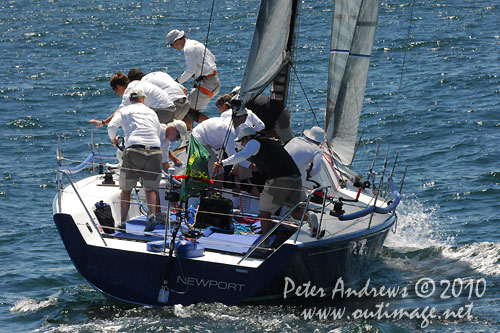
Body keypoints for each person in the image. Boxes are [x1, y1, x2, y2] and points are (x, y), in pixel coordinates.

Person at [213, 126, 305, 244]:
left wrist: (223, 163)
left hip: (279, 179)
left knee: (264, 212)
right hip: (295, 177)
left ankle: (264, 242)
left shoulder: (254, 142)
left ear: (248, 137)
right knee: (297, 212)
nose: (242, 144)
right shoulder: (269, 142)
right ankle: (312, 222)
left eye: (242, 140)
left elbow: (241, 155)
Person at [107, 86, 162, 232]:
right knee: (150, 189)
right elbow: (158, 131)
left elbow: (111, 125)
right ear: (143, 99)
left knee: (126, 190)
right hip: (155, 150)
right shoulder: (152, 112)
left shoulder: (124, 110)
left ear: (130, 100)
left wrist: (113, 139)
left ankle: (123, 222)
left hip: (134, 150)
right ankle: (151, 216)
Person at [166, 29, 220, 130]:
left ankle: (215, 130)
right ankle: (187, 139)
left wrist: (177, 82)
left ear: (176, 41)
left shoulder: (188, 48)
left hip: (207, 83)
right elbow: (212, 58)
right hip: (211, 80)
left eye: (171, 45)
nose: (173, 48)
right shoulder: (196, 43)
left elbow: (190, 70)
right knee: (188, 110)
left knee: (188, 111)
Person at [90, 72, 175, 128]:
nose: (115, 92)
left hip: (162, 111)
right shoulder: (136, 83)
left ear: (119, 87)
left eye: (114, 89)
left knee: (143, 131)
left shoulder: (130, 92)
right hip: (172, 109)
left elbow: (119, 113)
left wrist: (103, 122)